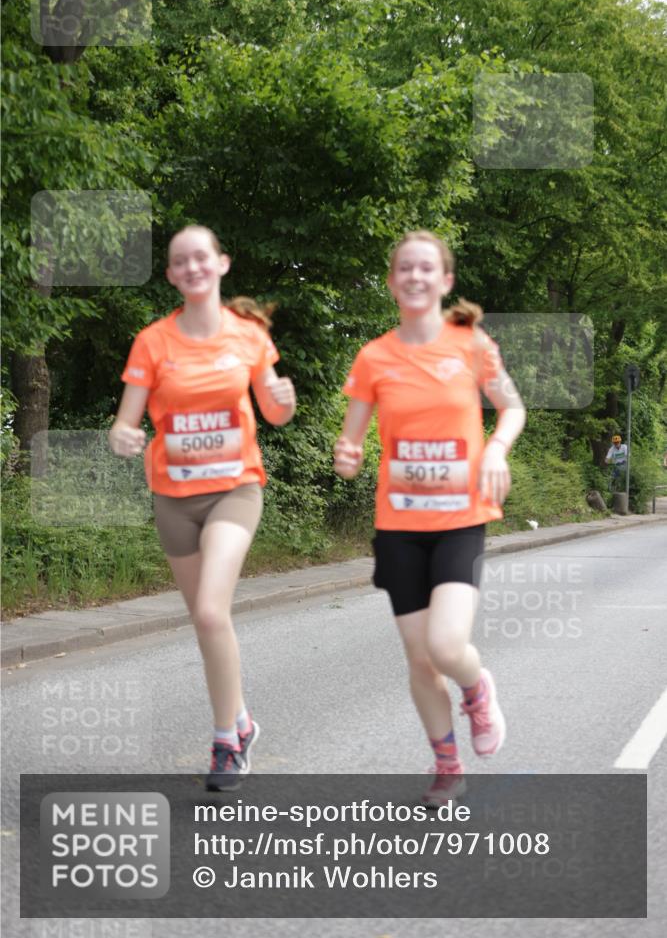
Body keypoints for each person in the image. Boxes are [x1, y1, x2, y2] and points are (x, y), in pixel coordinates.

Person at [334, 230, 526, 806]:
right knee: (419, 657)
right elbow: (351, 443)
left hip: (460, 517)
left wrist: (495, 449)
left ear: (445, 281)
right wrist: (348, 456)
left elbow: (511, 407)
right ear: (393, 282)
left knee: (446, 646)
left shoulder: (471, 345)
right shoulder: (374, 357)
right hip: (398, 526)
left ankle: (476, 686)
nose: (415, 277)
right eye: (404, 269)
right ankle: (446, 762)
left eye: (427, 269)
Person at [109, 225, 296, 790]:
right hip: (173, 499)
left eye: (201, 257)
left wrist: (282, 401)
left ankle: (225, 742)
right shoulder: (152, 342)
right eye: (179, 261)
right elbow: (127, 418)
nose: (191, 267)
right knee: (203, 619)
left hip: (235, 489)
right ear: (170, 274)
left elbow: (275, 412)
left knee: (213, 612)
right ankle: (242, 719)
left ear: (221, 264)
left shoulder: (249, 336)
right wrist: (122, 435)